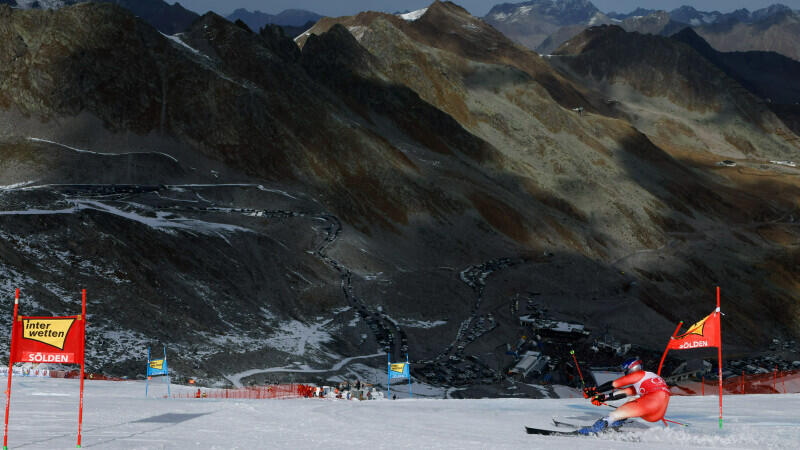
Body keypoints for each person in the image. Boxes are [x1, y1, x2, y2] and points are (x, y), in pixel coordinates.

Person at [579, 358, 670, 435]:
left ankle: (595, 429)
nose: (625, 372)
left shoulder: (638, 374)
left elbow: (614, 384)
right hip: (658, 412)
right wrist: (604, 397)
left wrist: (593, 391)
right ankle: (617, 422)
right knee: (633, 398)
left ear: (632, 368)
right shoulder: (649, 377)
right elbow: (625, 393)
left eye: (625, 370)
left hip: (651, 402)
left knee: (613, 415)